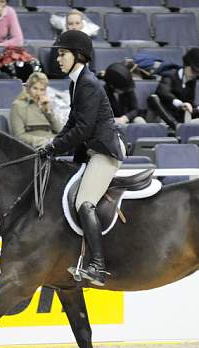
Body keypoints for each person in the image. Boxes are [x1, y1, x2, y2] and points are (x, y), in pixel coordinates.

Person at [41, 30, 127, 287]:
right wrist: (51, 146)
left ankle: (98, 266)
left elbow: (84, 129)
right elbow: (71, 124)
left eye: (63, 53)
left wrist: (53, 148)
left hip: (105, 152)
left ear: (79, 55)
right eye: (58, 54)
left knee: (85, 202)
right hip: (90, 152)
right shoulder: (76, 82)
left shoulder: (88, 83)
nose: (58, 59)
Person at [148, 47, 199, 129]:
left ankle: (180, 128)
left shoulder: (192, 81)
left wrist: (198, 109)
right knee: (153, 98)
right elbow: (163, 92)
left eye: (197, 72)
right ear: (186, 64)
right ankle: (177, 127)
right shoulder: (170, 75)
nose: (194, 74)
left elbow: (189, 103)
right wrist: (180, 104)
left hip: (181, 118)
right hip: (165, 116)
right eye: (193, 70)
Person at [9, 72, 63, 149]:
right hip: (36, 147)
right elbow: (19, 136)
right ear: (28, 88)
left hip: (53, 144)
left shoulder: (46, 104)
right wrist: (44, 141)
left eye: (42, 90)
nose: (38, 93)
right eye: (35, 88)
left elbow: (60, 130)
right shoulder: (18, 106)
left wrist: (48, 111)